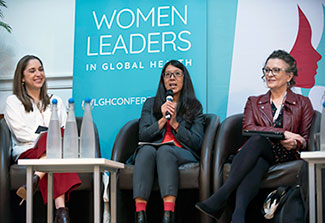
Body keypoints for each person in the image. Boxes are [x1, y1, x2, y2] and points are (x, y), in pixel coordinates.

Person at [195, 50, 314, 223]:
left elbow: (305, 139)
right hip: (261, 151)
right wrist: (282, 133)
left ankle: (222, 196)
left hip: (287, 155)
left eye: (275, 70)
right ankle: (238, 216)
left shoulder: (303, 103)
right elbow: (248, 128)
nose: (269, 75)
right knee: (257, 150)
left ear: (289, 76)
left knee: (258, 143)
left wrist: (295, 143)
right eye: (267, 70)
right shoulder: (254, 102)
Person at [4, 55, 81, 223]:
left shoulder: (56, 101)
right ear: (22, 78)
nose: (38, 74)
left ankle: (37, 178)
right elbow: (20, 133)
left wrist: (52, 138)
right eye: (32, 71)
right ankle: (61, 211)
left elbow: (65, 131)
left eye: (41, 69)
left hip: (53, 152)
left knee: (55, 143)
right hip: (28, 151)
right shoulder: (13, 102)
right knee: (52, 139)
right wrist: (47, 138)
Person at [131, 60, 205, 223]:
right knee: (145, 151)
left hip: (181, 151)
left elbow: (197, 142)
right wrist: (163, 120)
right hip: (152, 149)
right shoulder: (151, 104)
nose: (172, 78)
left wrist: (175, 124)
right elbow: (143, 135)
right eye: (168, 75)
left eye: (177, 74)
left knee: (165, 151)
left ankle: (168, 216)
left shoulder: (194, 107)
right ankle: (140, 216)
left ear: (184, 78)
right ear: (163, 80)